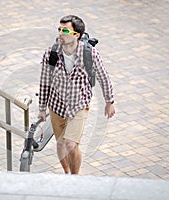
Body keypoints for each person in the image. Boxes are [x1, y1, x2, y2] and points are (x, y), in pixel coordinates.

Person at [38, 15, 115, 175]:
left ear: (76, 35)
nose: (60, 33)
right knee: (60, 144)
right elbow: (45, 81)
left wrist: (109, 101)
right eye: (59, 29)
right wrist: (41, 108)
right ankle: (67, 173)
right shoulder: (51, 53)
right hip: (56, 105)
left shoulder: (89, 54)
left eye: (65, 30)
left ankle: (75, 176)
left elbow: (103, 76)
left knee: (70, 144)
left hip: (78, 105)